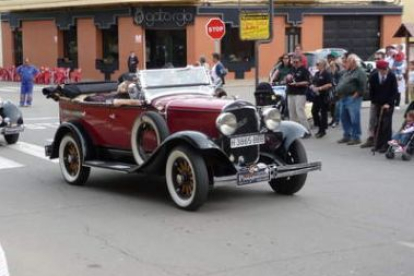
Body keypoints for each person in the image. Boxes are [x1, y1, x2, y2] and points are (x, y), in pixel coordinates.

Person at [367, 60, 398, 153]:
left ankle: (386, 144)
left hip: (389, 104)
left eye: (386, 69)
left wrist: (388, 103)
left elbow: (394, 92)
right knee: (378, 124)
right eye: (383, 69)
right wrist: (375, 102)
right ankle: (378, 144)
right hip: (378, 104)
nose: (385, 71)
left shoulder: (391, 76)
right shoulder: (373, 77)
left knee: (386, 124)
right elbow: (371, 91)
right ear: (378, 69)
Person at [335, 54, 367, 145]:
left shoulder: (359, 72)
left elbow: (363, 85)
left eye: (347, 61)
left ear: (353, 62)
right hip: (343, 97)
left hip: (353, 97)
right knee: (344, 117)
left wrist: (357, 94)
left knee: (354, 118)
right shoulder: (347, 72)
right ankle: (347, 135)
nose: (345, 63)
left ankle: (356, 137)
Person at [360, 51, 387, 148]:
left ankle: (382, 140)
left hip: (385, 102)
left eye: (379, 59)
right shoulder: (374, 73)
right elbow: (371, 88)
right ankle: (371, 138)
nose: (376, 61)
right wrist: (373, 100)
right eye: (375, 59)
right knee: (372, 120)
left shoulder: (388, 72)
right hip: (375, 101)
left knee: (384, 121)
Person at [286, 55, 311, 137]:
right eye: (293, 62)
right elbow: (288, 78)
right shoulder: (292, 69)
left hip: (300, 93)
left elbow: (307, 82)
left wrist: (297, 84)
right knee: (292, 113)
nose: (295, 63)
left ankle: (306, 131)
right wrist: (287, 78)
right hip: (291, 92)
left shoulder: (304, 70)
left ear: (300, 62)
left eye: (296, 62)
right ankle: (294, 131)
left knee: (300, 112)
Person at [310, 59, 332, 138]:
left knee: (323, 113)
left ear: (322, 65)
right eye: (316, 64)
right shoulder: (316, 73)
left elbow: (329, 84)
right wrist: (312, 86)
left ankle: (322, 130)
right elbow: (313, 81)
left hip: (323, 95)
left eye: (318, 64)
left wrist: (320, 88)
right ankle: (320, 126)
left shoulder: (327, 74)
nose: (317, 65)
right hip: (316, 95)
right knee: (314, 111)